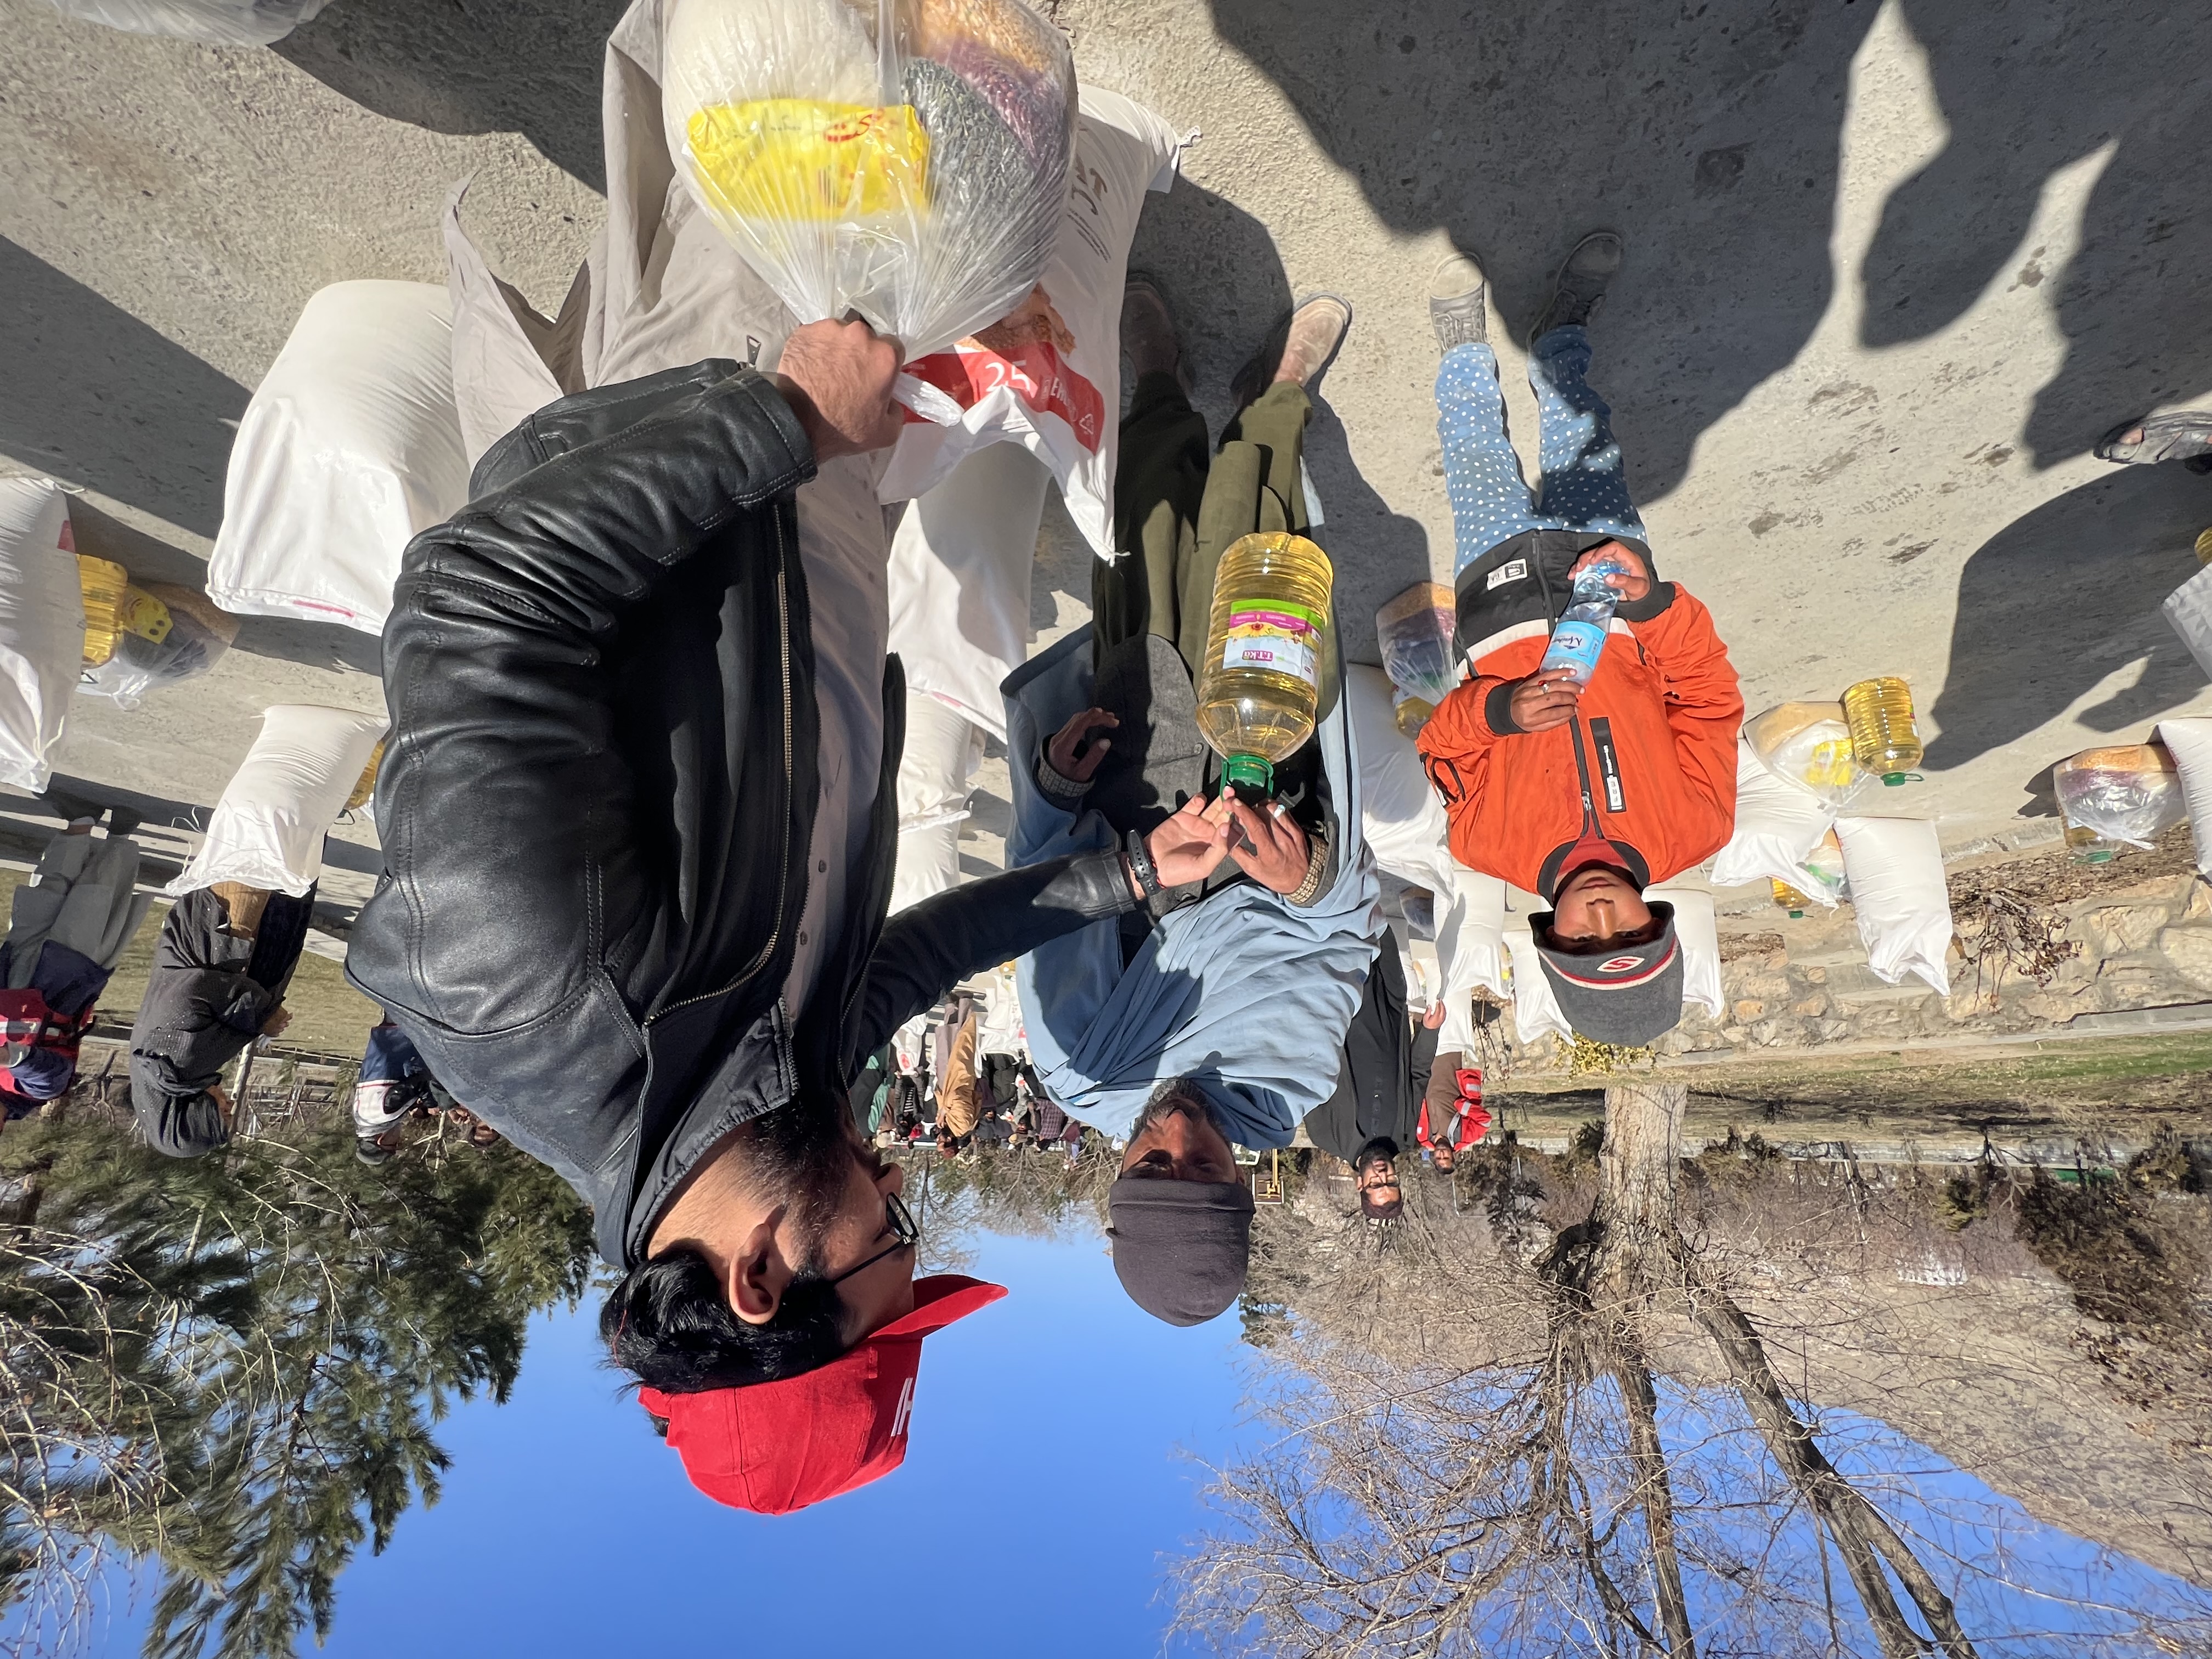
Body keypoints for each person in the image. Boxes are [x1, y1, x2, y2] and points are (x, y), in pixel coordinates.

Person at [346, 321, 1222, 1513]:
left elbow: (478, 599)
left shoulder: (525, 1004)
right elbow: (929, 953)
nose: (893, 1172)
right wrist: (1127, 875)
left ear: (758, 1276)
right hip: (822, 484)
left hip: (701, 390)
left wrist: (778, 418)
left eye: (889, 1230)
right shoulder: (781, 1097)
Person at [1005, 283, 1383, 1327]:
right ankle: (1275, 403)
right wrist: (1304, 876)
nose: (1176, 1136)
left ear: (1118, 1177)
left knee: (1150, 538)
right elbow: (1350, 930)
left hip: (1140, 749)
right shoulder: (1291, 1083)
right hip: (1268, 763)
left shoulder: (1080, 1064)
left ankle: (1159, 389)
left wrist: (1059, 786)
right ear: (1240, 1185)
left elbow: (1043, 893)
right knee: (1255, 549)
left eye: (1150, 1167)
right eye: (1203, 1168)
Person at [1414, 235, 1743, 1047]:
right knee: (1583, 437)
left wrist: (1500, 713)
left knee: (1475, 458)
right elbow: (1708, 699)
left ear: (1548, 939)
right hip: (1612, 588)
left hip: (1497, 607)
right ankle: (1560, 339)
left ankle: (1463, 352)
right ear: (1658, 921)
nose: (1601, 917)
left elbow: (1442, 748)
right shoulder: (1697, 826)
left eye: (1584, 942)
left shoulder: (1483, 845)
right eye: (1629, 933)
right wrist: (1652, 604)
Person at [128, 874, 313, 1158]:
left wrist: (262, 1013)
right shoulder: (169, 1072)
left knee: (273, 855)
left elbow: (189, 993)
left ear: (193, 1115)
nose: (230, 1104)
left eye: (223, 1113)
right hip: (229, 933)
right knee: (294, 858)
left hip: (226, 928)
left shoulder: (175, 1068)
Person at [0, 809, 150, 1114]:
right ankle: (120, 835)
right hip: (67, 979)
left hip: (13, 970)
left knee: (45, 893)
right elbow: (49, 1073)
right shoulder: (31, 1093)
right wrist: (11, 1059)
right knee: (96, 896)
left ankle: (80, 823)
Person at [1301, 933, 1420, 1226]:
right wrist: (1429, 1032)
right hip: (1386, 998)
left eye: (1376, 1184)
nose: (1383, 1175)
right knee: (1378, 921)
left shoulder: (1325, 1136)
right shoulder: (1406, 1136)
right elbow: (1419, 1076)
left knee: (1332, 922)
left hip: (1334, 997)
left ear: (1360, 1185)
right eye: (1391, 1182)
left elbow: (1309, 1067)